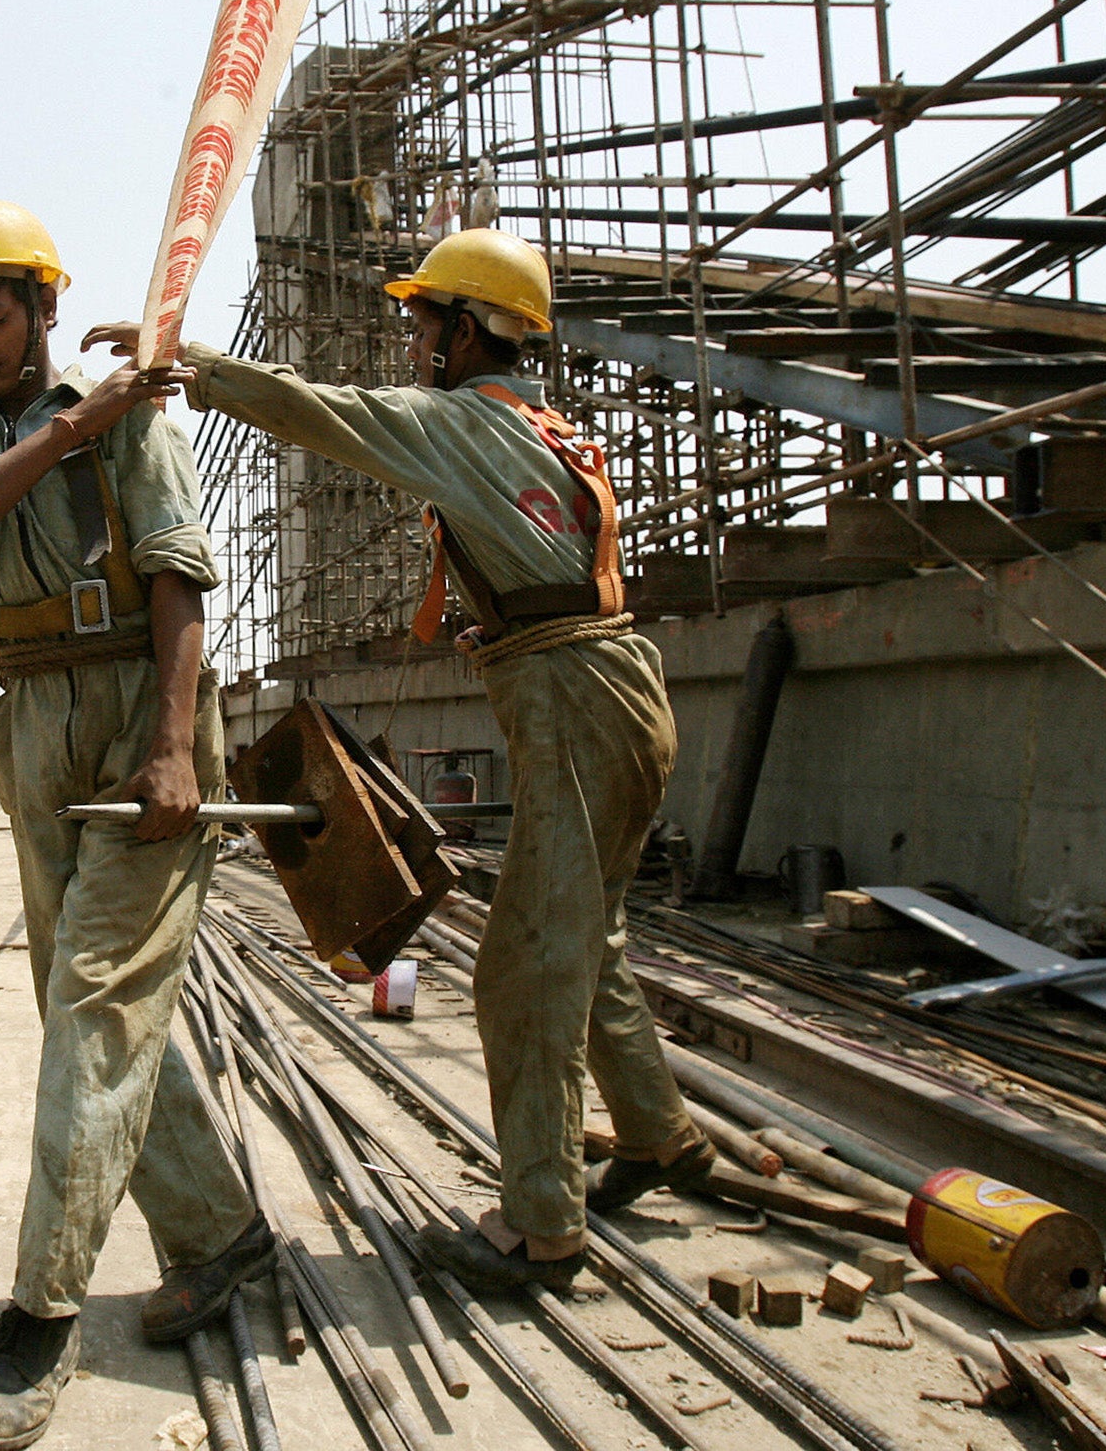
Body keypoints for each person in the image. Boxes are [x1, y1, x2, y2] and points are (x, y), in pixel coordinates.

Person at [84, 227, 709, 1294]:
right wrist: (495, 625)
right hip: (608, 685)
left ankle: (541, 1230)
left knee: (524, 969)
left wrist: (191, 366)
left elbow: (333, 417)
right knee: (583, 936)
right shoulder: (541, 428)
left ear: (466, 331)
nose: (413, 338)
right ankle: (655, 1135)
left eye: (424, 320)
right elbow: (558, 565)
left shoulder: (464, 422)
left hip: (572, 703)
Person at [0, 199, 272, 1451]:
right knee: (85, 1007)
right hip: (31, 719)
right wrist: (68, 430)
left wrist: (172, 741)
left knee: (97, 1003)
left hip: (132, 706)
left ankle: (38, 1320)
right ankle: (220, 1240)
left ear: (45, 308)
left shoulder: (136, 423)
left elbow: (177, 583)